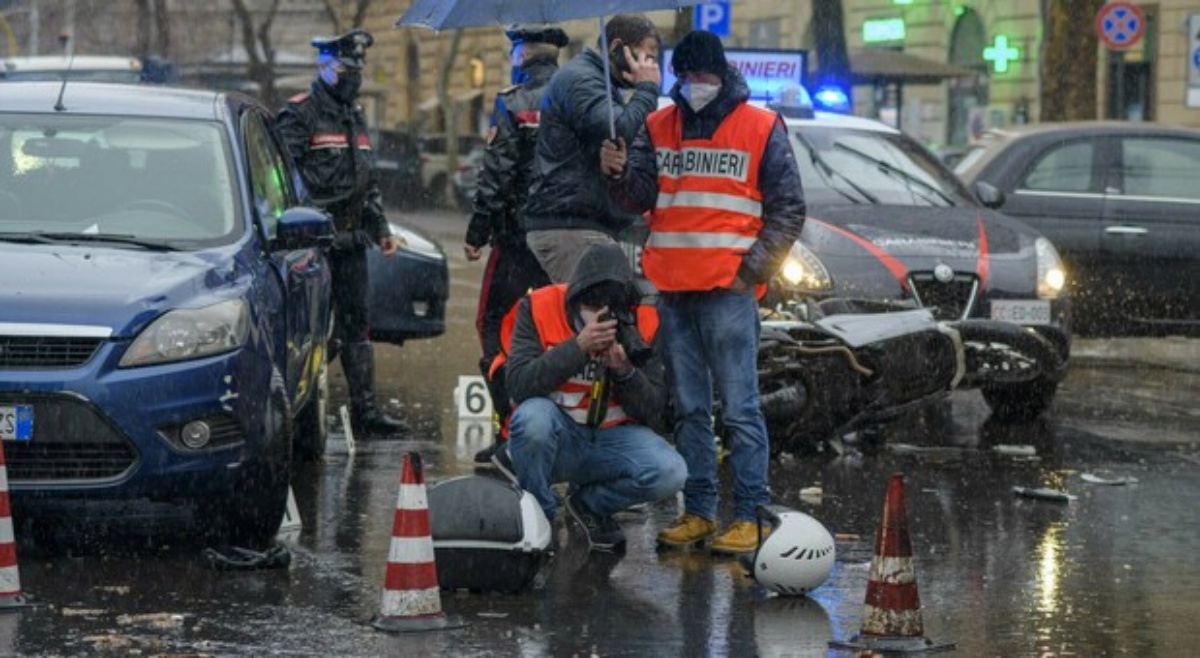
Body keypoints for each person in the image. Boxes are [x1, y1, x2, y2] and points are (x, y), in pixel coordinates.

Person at [604, 30, 807, 555]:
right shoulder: (657, 125)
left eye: (704, 77)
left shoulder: (760, 126)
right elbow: (636, 198)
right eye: (687, 77)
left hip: (727, 292)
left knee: (740, 409)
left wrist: (750, 272)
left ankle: (748, 513)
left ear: (722, 76)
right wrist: (618, 172)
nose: (696, 86)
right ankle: (698, 511)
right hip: (674, 291)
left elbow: (788, 209)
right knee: (691, 408)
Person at [502, 243, 687, 552]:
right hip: (557, 440)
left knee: (671, 471)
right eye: (591, 306)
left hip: (610, 444)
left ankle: (589, 505)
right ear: (575, 300)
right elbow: (519, 385)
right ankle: (542, 517)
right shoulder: (539, 306)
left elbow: (653, 410)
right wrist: (577, 347)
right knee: (532, 419)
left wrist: (625, 372)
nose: (600, 315)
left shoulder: (644, 321)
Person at [276, 29, 408, 437]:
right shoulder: (300, 114)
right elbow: (283, 181)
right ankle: (297, 411)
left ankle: (366, 410)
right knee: (309, 330)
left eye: (357, 69)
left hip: (351, 242)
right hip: (313, 243)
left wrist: (380, 228)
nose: (353, 76)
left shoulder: (356, 116)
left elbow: (365, 182)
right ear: (323, 67)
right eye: (344, 69)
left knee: (357, 326)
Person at [464, 24, 567, 467]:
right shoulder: (580, 98)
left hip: (519, 241)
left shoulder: (513, 102)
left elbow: (497, 174)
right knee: (561, 332)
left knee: (495, 327)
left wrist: (477, 232)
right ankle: (565, 429)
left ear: (522, 55)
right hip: (568, 241)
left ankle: (512, 428)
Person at [521, 13, 663, 283]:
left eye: (652, 59)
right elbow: (619, 131)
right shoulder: (582, 80)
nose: (650, 66)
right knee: (594, 315)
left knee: (598, 317)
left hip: (584, 223)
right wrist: (646, 89)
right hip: (570, 226)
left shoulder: (602, 83)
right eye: (644, 56)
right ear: (615, 46)